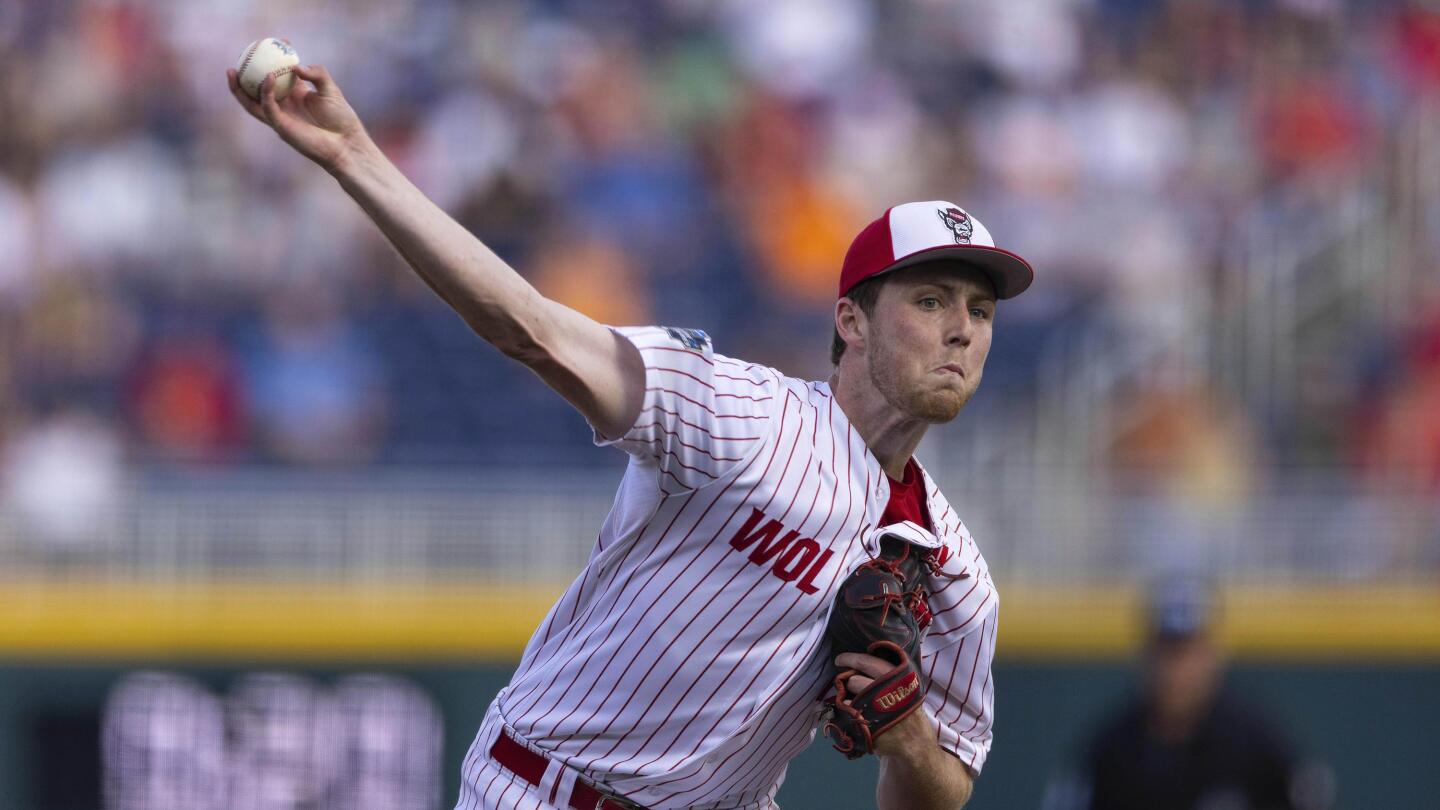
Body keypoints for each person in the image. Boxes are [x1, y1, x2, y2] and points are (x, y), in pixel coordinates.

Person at [227, 62, 1035, 810]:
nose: (961, 331)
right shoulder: (743, 416)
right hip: (541, 791)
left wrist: (910, 741)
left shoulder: (956, 576)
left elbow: (944, 786)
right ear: (850, 320)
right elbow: (531, 329)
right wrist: (354, 155)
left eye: (980, 311)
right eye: (930, 301)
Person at [1047, 579, 1333, 810]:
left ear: (1215, 655)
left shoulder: (1256, 748)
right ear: (1146, 655)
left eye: (1189, 652)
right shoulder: (1111, 753)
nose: (1177, 670)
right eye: (1168, 652)